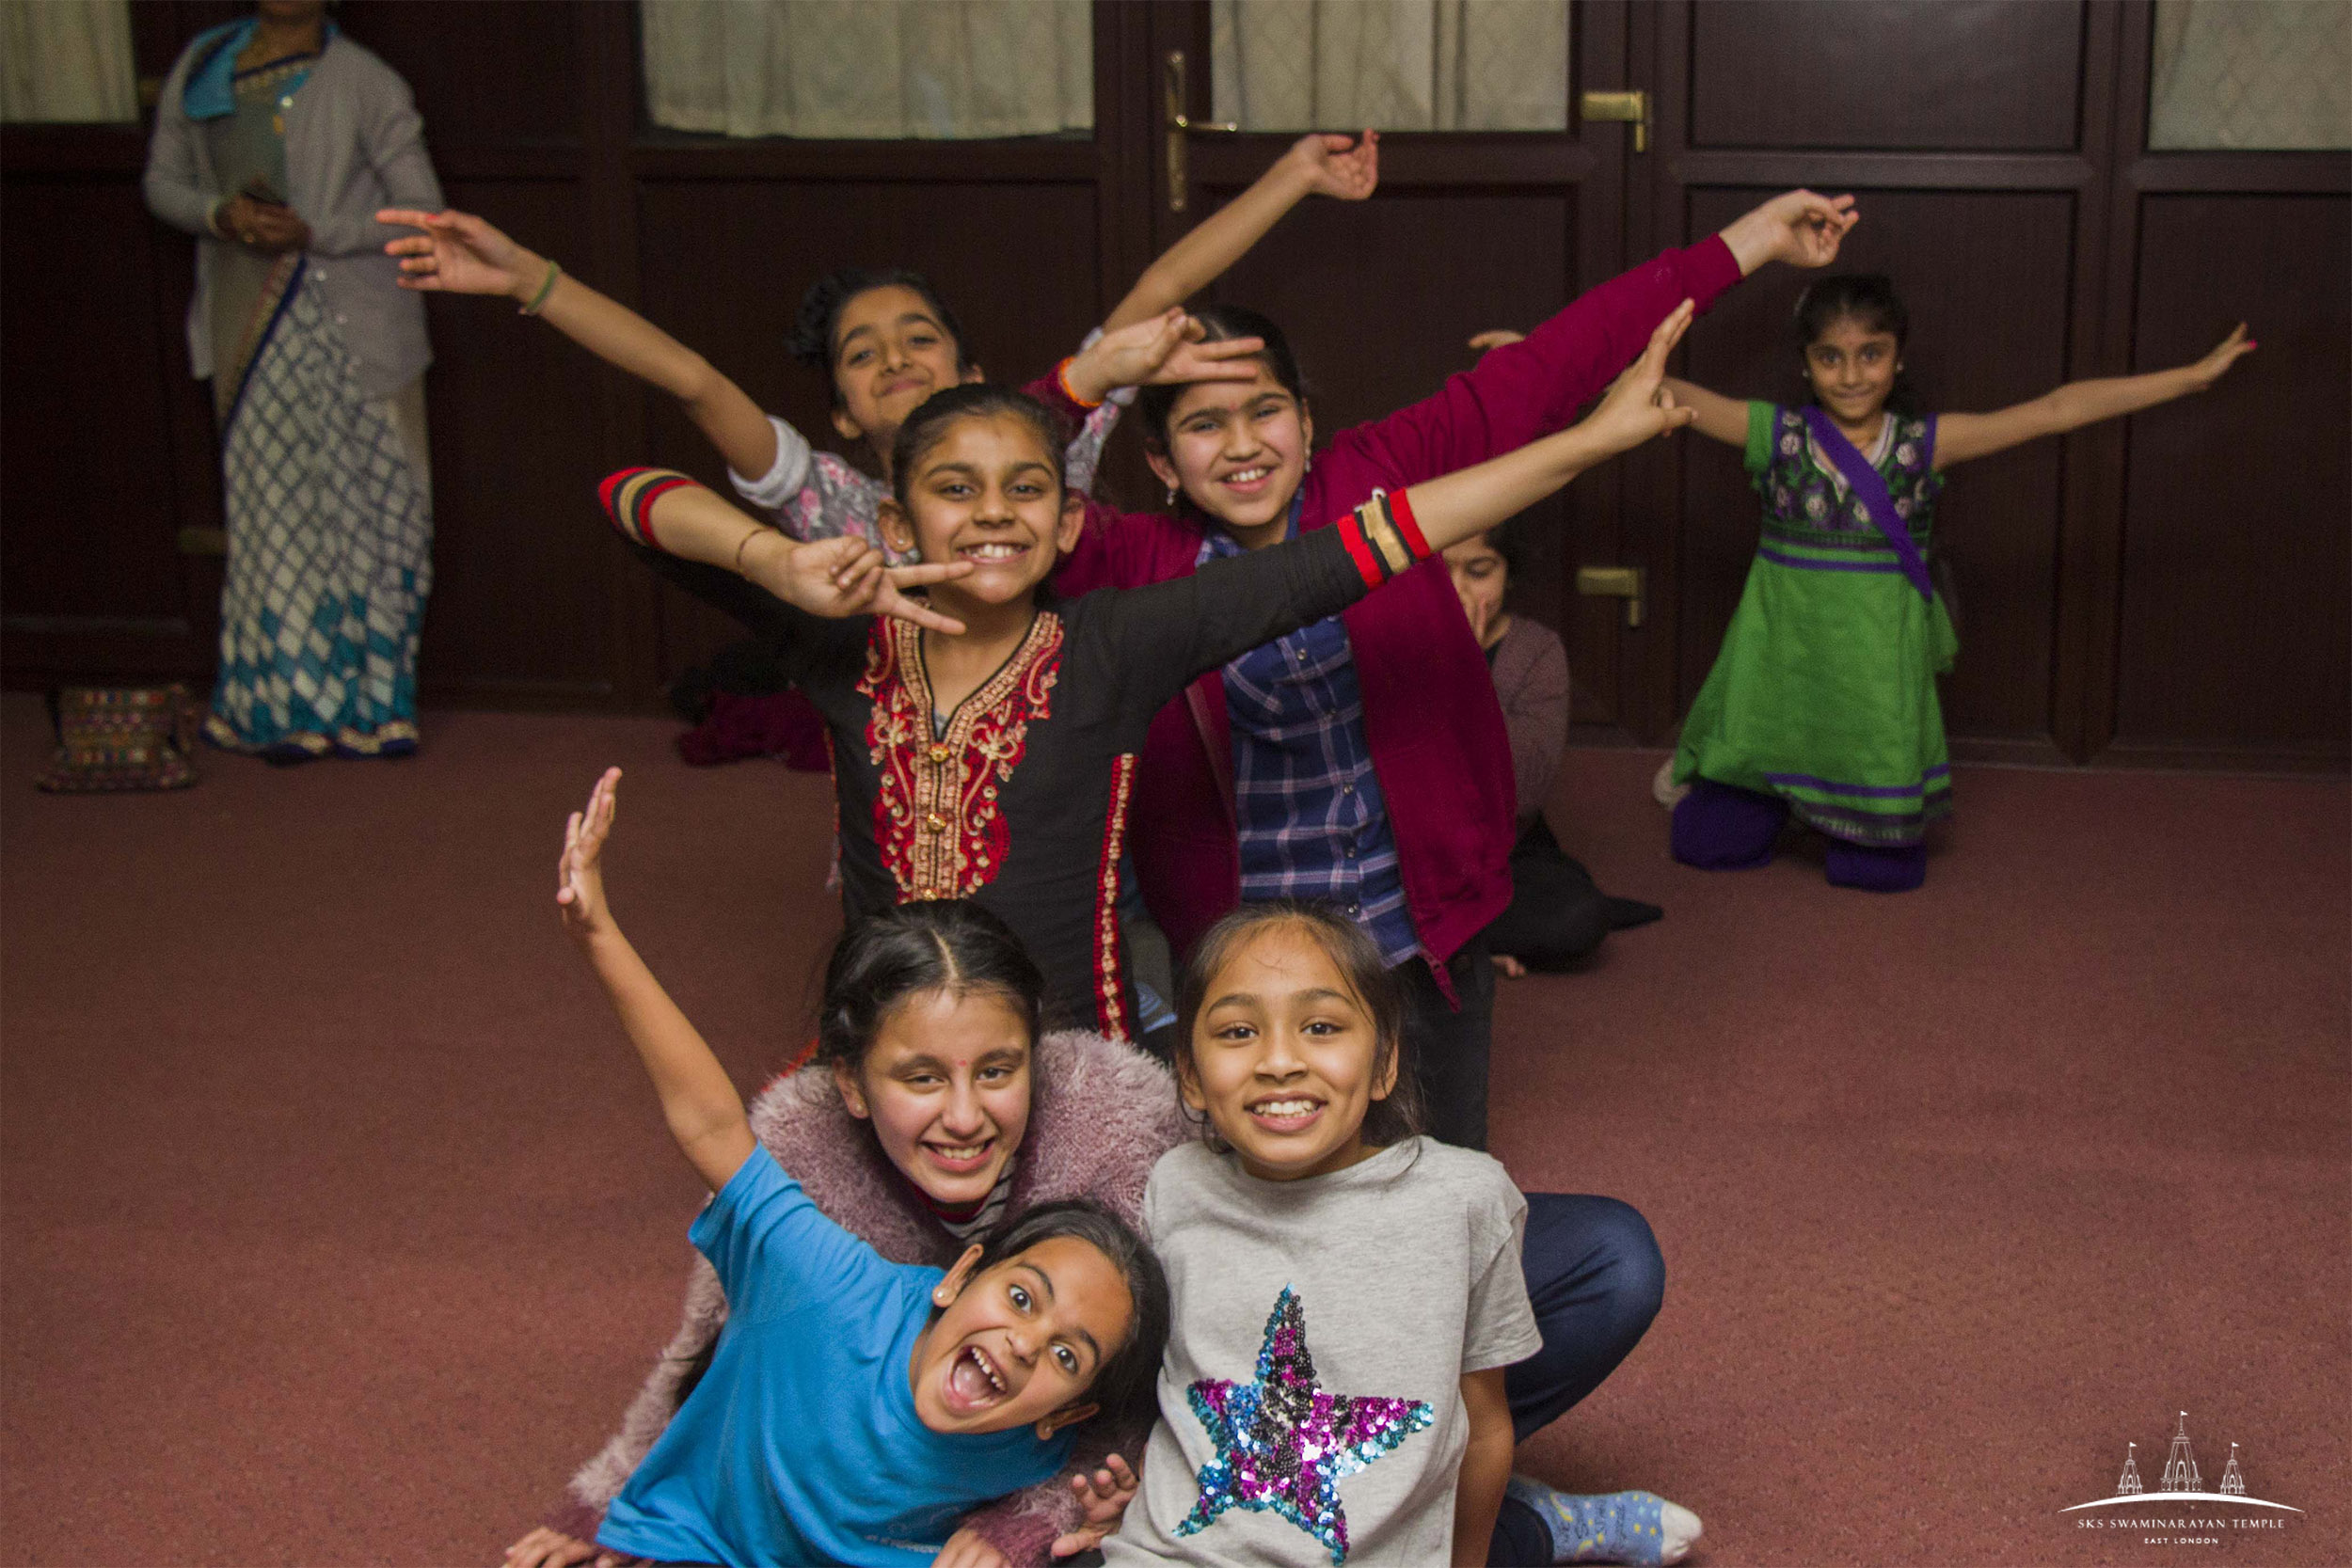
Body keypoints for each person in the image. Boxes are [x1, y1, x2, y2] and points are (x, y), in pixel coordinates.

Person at [593, 297, 1702, 1048]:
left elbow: (1366, 545)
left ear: (1070, 516)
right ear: (894, 515)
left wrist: (1591, 442)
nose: (990, 514)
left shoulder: (1110, 647)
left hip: (1074, 1055)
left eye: (1025, 488)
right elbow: (626, 496)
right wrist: (771, 555)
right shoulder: (844, 646)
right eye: (955, 489)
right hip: (886, 1043)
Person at [1044, 191, 1858, 1148]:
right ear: (1163, 462)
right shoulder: (1131, 561)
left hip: (1420, 936)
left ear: (1306, 420)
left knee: (1446, 1195)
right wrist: (1088, 375)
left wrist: (1754, 240)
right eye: (1204, 425)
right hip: (1247, 974)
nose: (1243, 445)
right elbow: (987, 473)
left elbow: (1554, 362)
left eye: (1265, 410)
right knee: (1265, 1225)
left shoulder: (1380, 474)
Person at [548, 768, 1167, 1568]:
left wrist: (1100, 1507)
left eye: (996, 1071)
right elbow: (707, 1133)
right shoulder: (827, 1276)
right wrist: (599, 933)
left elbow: (1148, 1415)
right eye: (921, 1076)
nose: (965, 1114)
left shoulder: (1041, 1421)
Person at [1102, 902, 1702, 1568]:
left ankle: (1530, 1527)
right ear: (1189, 1073)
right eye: (1239, 1031)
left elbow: (1484, 1423)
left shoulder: (1465, 1200)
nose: (1278, 1060)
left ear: (1385, 1063)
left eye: (1321, 1026)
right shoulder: (1172, 1186)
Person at [1663, 275, 2255, 890]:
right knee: (1703, 844)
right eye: (1830, 357)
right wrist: (1590, 351)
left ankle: (1827, 802)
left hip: (1873, 688)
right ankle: (1773, 791)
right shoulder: (1776, 435)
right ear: (1806, 365)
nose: (1851, 374)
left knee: (1880, 873)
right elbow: (1667, 391)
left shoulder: (1924, 446)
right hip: (1777, 674)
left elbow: (2055, 410)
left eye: (1871, 353)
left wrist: (2191, 378)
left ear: (1899, 357)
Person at [143, 0, 443, 760]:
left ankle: (377, 704)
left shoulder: (366, 82)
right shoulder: (204, 69)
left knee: (377, 506)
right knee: (274, 515)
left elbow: (423, 211)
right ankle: (284, 707)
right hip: (248, 322)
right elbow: (163, 182)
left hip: (360, 326)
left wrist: (317, 232)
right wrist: (222, 215)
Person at [1440, 523, 1661, 975]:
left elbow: (1521, 795)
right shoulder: (1390, 640)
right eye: (1437, 574)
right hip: (1404, 858)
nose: (1456, 592)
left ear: (1508, 573)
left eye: (1479, 572)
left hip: (1500, 849)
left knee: (1576, 916)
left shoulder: (1536, 651)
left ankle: (1446, 940)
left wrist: (1467, 672)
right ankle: (1454, 941)